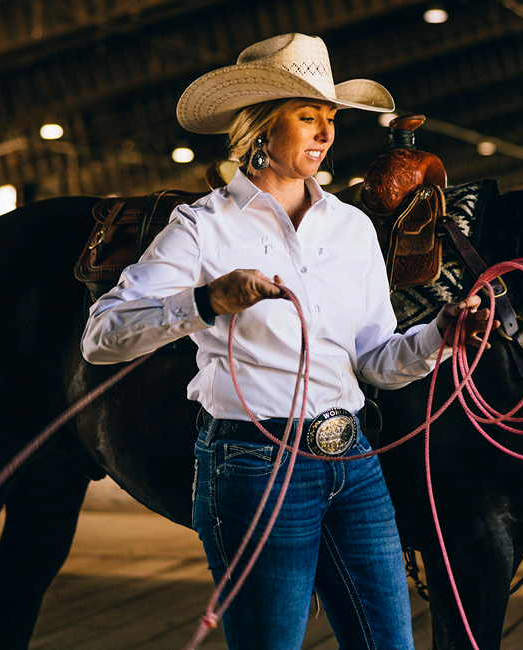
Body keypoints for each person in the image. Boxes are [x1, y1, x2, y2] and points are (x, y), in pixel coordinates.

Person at [81, 33, 489, 649]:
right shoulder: (201, 227)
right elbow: (102, 337)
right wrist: (206, 301)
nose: (325, 133)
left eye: (329, 119)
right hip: (252, 463)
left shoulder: (352, 229)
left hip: (351, 459)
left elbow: (375, 361)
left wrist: (440, 335)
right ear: (260, 132)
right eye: (307, 117)